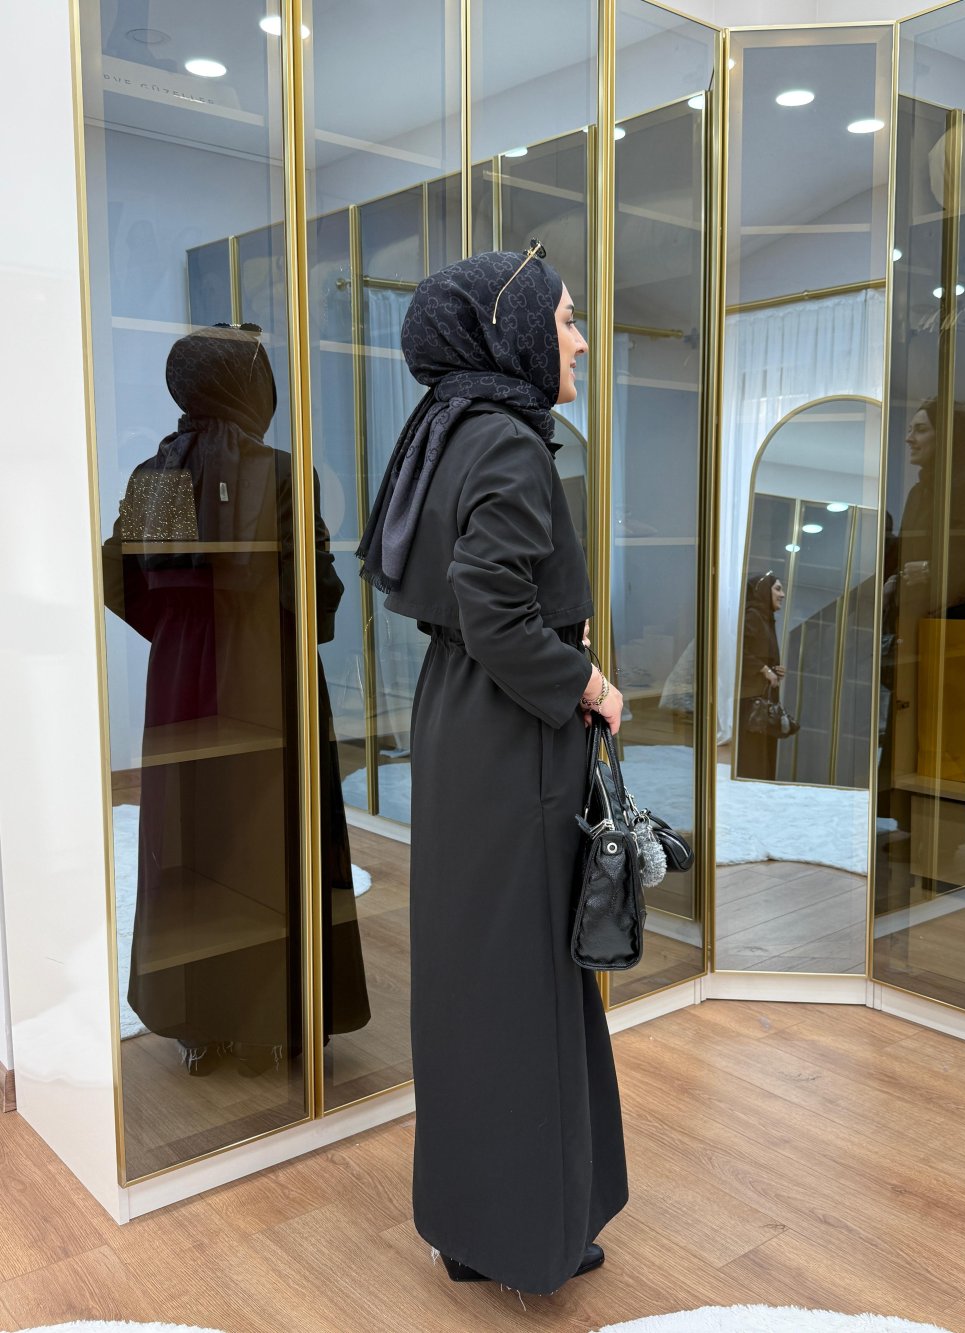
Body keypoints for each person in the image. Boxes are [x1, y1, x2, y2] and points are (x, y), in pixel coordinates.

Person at [358, 246, 628, 1294]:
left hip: (460, 719)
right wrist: (589, 684)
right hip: (514, 734)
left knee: (472, 982)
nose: (579, 341)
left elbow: (464, 605)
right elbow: (496, 610)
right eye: (565, 320)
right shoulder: (510, 444)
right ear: (510, 333)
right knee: (525, 990)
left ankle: (472, 1224)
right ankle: (528, 1235)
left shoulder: (448, 429)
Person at [103, 324, 370, 1077]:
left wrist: (184, 632)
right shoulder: (280, 472)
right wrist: (250, 623)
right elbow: (313, 596)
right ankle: (279, 1018)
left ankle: (202, 1023)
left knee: (192, 832)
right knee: (274, 829)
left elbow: (124, 580)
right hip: (268, 674)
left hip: (182, 682)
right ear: (250, 387)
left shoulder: (158, 474)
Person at [878, 399, 965, 885]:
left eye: (921, 430)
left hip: (952, 620)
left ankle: (943, 836)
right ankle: (913, 825)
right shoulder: (922, 487)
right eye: (911, 429)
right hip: (921, 617)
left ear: (947, 437)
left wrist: (933, 571)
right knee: (912, 717)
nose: (910, 438)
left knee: (944, 726)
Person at [736, 570, 786, 780]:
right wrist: (764, 669)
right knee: (753, 752)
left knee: (763, 749)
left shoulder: (765, 618)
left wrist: (774, 669)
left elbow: (758, 653)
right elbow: (738, 651)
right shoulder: (753, 616)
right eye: (778, 589)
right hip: (751, 700)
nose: (782, 594)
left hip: (762, 697)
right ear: (765, 591)